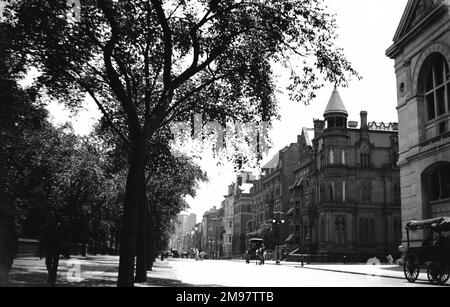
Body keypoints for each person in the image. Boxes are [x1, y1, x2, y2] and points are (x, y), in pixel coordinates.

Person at [40, 213, 64, 286]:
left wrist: (63, 250)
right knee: (48, 262)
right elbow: (43, 238)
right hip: (49, 248)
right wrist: (41, 249)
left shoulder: (61, 228)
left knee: (55, 264)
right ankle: (51, 274)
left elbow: (63, 240)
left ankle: (52, 279)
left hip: (57, 249)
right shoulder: (49, 227)